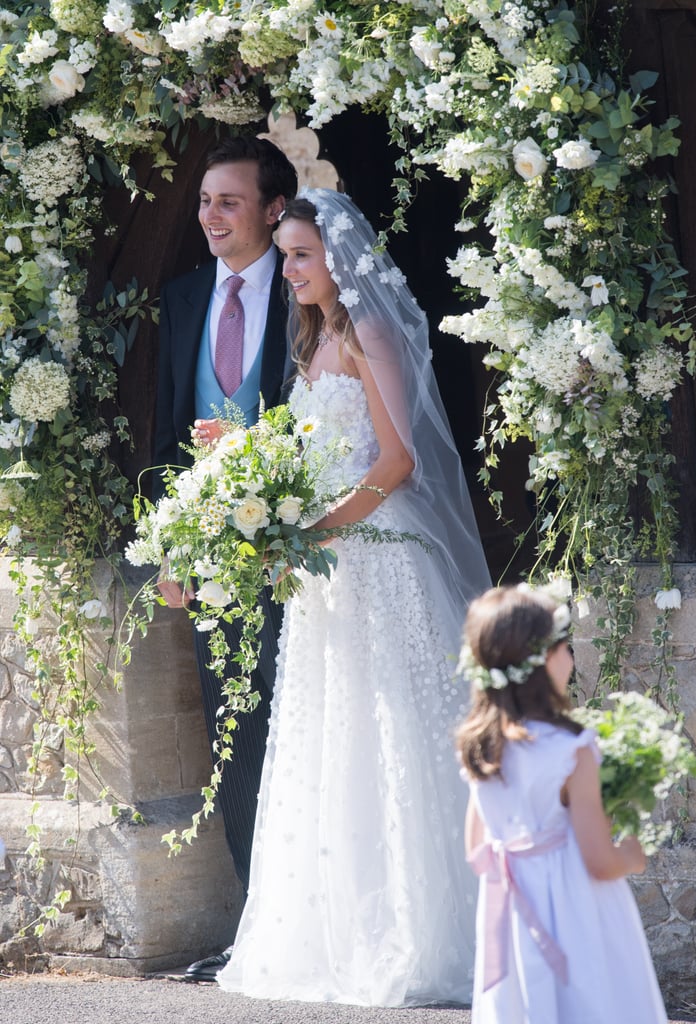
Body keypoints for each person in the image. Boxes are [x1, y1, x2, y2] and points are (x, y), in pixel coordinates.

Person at [217, 188, 492, 1006]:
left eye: (302, 255)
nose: (291, 268)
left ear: (340, 259)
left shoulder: (368, 331)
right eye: (288, 255)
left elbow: (397, 459)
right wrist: (245, 459)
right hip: (328, 567)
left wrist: (314, 533)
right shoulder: (314, 339)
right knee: (331, 734)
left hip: (372, 554)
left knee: (390, 730)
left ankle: (418, 932)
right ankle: (338, 929)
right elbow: (317, 452)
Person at [153, 135, 298, 981]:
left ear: (273, 209)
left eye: (229, 201)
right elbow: (168, 432)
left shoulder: (312, 291)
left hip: (305, 557)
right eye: (206, 200)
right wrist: (171, 546)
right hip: (210, 562)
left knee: (304, 729)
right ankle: (258, 933)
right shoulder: (179, 299)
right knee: (233, 735)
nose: (211, 215)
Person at [456, 585, 668, 1023]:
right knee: (588, 1000)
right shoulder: (572, 749)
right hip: (575, 909)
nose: (569, 657)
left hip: (513, 915)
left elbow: (477, 849)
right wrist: (631, 854)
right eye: (565, 647)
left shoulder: (480, 746)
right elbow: (598, 861)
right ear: (544, 662)